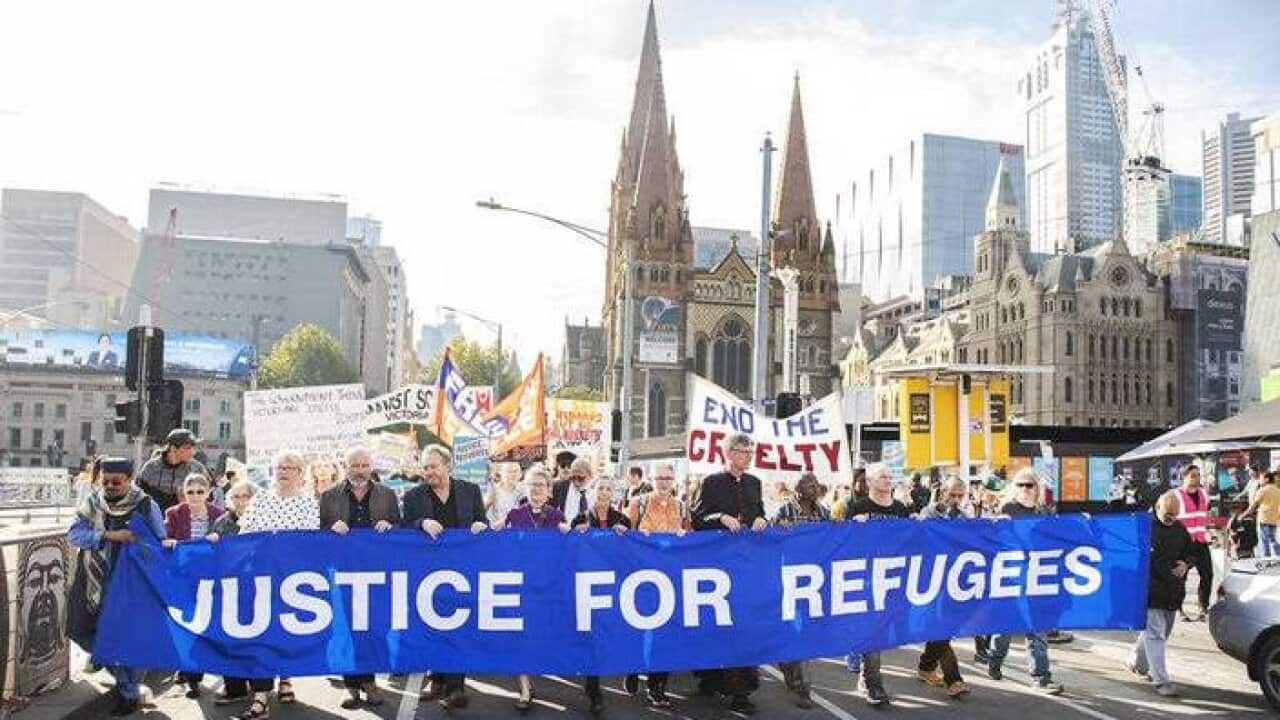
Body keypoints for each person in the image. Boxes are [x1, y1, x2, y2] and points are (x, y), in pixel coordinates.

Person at [67, 457, 167, 717]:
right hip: (92, 580)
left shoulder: (145, 505)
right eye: (105, 481)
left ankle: (128, 692)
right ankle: (128, 683)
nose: (109, 486)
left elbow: (160, 543)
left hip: (131, 584)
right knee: (78, 629)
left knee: (127, 639)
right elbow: (74, 535)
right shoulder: (92, 502)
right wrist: (109, 536)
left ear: (130, 480)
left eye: (116, 482)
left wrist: (139, 547)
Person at [226, 451, 319, 719]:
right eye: (279, 467)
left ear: (300, 473)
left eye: (289, 467)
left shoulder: (308, 503)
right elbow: (244, 535)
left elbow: (309, 540)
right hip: (261, 578)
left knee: (286, 631)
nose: (283, 471)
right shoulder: (261, 501)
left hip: (292, 579)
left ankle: (286, 678)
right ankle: (260, 697)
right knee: (262, 635)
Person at [402, 445, 488, 710]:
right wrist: (421, 524)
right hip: (428, 573)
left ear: (448, 466)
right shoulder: (413, 496)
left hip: (462, 571)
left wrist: (479, 525)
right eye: (425, 467)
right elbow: (405, 527)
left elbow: (481, 521)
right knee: (432, 625)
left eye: (434, 466)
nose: (429, 472)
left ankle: (455, 687)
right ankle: (438, 678)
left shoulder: (470, 491)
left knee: (458, 625)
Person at [319, 446, 401, 710]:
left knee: (376, 627)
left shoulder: (387, 495)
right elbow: (316, 531)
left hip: (378, 572)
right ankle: (354, 685)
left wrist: (390, 526)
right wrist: (329, 528)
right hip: (342, 573)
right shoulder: (329, 496)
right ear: (346, 467)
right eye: (355, 465)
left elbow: (400, 528)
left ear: (371, 467)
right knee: (348, 627)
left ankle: (370, 679)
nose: (360, 470)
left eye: (365, 465)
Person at [691, 432, 767, 715]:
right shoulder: (711, 482)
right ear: (729, 453)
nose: (748, 455)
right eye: (743, 451)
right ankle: (710, 675)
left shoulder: (754, 482)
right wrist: (720, 518)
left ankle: (741, 690)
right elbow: (697, 518)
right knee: (716, 621)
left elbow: (759, 512)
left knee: (743, 623)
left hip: (746, 563)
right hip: (717, 563)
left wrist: (762, 519)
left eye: (751, 451)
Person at [986, 469, 1065, 694]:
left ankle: (1040, 677)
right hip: (1011, 576)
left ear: (1037, 488)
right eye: (1020, 484)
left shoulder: (1044, 512)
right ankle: (995, 658)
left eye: (1029, 485)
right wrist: (997, 523)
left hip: (1037, 577)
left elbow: (1057, 538)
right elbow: (992, 536)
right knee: (1005, 627)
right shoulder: (1007, 509)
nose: (1025, 489)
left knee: (1036, 627)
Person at [500, 465, 570, 712]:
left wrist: (570, 534)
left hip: (549, 586)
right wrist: (486, 529)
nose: (536, 490)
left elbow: (569, 548)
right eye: (531, 485)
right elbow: (499, 541)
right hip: (522, 584)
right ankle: (525, 688)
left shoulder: (556, 516)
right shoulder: (514, 514)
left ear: (549, 490)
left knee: (542, 634)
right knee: (520, 637)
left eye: (540, 485)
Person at [842, 462, 904, 706]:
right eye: (882, 477)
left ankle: (865, 676)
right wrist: (853, 527)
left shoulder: (900, 509)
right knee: (873, 632)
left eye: (890, 476)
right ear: (869, 482)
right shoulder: (858, 507)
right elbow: (842, 542)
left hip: (894, 578)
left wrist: (918, 523)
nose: (887, 480)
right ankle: (873, 685)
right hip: (866, 578)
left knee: (880, 631)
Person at [626, 462, 686, 709]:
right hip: (641, 578)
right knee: (640, 629)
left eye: (668, 478)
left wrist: (685, 535)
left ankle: (657, 686)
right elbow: (624, 536)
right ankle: (633, 666)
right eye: (660, 477)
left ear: (674, 482)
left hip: (669, 578)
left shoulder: (681, 506)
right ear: (651, 479)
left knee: (664, 634)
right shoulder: (637, 504)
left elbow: (691, 538)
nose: (664, 482)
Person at [161, 473, 225, 699]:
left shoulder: (219, 514)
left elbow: (230, 543)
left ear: (208, 493)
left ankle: (202, 668)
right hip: (184, 578)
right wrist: (169, 542)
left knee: (208, 625)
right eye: (191, 492)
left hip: (212, 579)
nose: (196, 496)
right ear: (183, 493)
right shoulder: (174, 514)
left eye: (200, 491)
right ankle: (192, 679)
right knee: (188, 625)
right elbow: (164, 539)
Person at [572, 478, 632, 714]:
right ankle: (594, 688)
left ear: (614, 493)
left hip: (615, 585)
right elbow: (568, 547)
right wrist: (577, 533)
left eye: (609, 489)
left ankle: (629, 672)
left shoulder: (622, 519)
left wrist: (626, 534)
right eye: (601, 488)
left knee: (610, 633)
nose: (605, 492)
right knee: (592, 635)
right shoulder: (581, 518)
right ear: (594, 492)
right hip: (588, 584)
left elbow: (633, 551)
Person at [772, 472, 830, 710]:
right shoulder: (784, 511)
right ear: (797, 489)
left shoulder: (823, 512)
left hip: (815, 580)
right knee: (797, 632)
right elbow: (769, 540)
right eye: (808, 484)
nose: (814, 488)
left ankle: (789, 666)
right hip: (791, 578)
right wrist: (778, 529)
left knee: (804, 633)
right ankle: (802, 688)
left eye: (816, 484)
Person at [1128, 490, 1193, 697]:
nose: (1171, 519)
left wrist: (1186, 563)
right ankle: (1161, 681)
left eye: (1175, 515)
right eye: (1168, 515)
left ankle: (1137, 662)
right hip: (1151, 590)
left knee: (1158, 634)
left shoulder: (1180, 529)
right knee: (1156, 635)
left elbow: (1192, 552)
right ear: (1157, 508)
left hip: (1173, 591)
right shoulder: (1142, 527)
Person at [916, 475, 971, 698]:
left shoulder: (964, 518)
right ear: (943, 492)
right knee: (943, 628)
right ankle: (954, 680)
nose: (956, 499)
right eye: (952, 494)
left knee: (943, 628)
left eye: (960, 495)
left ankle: (926, 666)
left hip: (954, 580)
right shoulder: (929, 514)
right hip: (931, 579)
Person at [204, 480, 258, 707]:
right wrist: (211, 542)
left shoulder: (262, 520)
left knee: (256, 639)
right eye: (236, 497)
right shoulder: (221, 523)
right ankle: (235, 689)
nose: (240, 501)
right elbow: (208, 554)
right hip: (228, 590)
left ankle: (259, 688)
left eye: (245, 496)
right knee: (228, 640)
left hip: (258, 589)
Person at [1172, 464, 1213, 621]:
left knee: (1208, 575)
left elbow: (1203, 515)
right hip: (1183, 545)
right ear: (1184, 477)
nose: (1197, 479)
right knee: (1181, 577)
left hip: (1201, 542)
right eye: (1193, 476)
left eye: (1198, 475)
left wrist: (1208, 531)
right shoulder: (1175, 495)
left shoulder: (1203, 493)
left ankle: (1203, 607)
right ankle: (1178, 609)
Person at [136, 429, 210, 511]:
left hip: (184, 517)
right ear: (173, 448)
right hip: (155, 517)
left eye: (193, 448)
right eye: (187, 448)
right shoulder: (151, 468)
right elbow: (137, 496)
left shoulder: (196, 469)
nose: (192, 452)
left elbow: (209, 497)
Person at [1240, 471, 1280, 557]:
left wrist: (1242, 516)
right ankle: (1274, 557)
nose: (1260, 481)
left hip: (1264, 518)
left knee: (1266, 540)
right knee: (1271, 538)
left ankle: (1268, 559)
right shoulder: (1277, 490)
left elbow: (1253, 506)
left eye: (1261, 479)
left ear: (1267, 479)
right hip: (1274, 519)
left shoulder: (1263, 490)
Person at [552, 457, 594, 523]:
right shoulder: (558, 487)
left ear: (590, 476)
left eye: (580, 478)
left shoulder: (596, 493)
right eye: (573, 477)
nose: (576, 481)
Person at [485, 461, 524, 527]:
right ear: (501, 473)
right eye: (509, 471)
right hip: (500, 532)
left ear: (520, 474)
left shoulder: (525, 489)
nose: (513, 474)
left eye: (516, 471)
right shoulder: (493, 491)